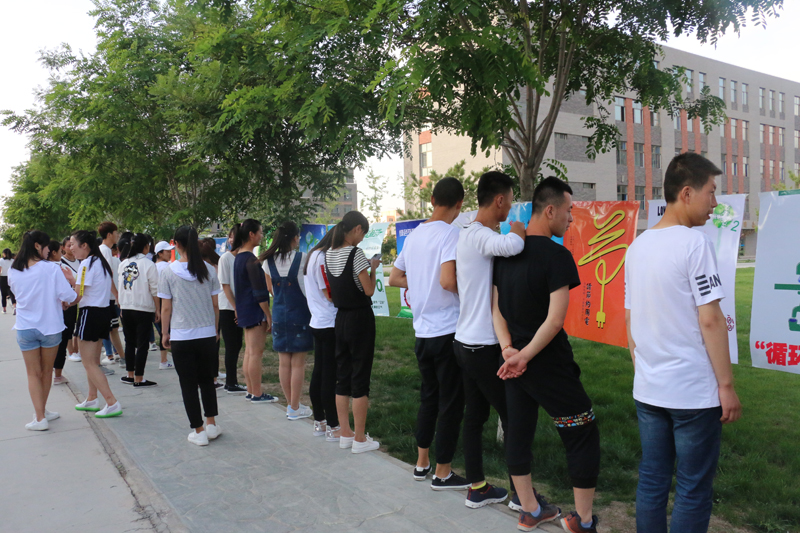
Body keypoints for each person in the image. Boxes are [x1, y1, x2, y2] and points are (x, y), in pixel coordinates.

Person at [625, 153, 742, 533]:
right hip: (693, 395)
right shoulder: (694, 244)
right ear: (687, 193)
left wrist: (643, 370)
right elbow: (711, 319)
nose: (715, 203)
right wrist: (726, 386)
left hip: (649, 389)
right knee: (692, 488)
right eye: (711, 192)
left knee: (652, 479)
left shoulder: (637, 247)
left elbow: (629, 320)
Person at [493, 177, 600, 532]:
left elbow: (495, 309)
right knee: (582, 431)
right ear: (550, 210)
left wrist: (508, 349)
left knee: (518, 431)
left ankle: (530, 510)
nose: (571, 219)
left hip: (513, 362)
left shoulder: (506, 253)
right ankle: (583, 521)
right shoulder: (557, 256)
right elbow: (555, 321)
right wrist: (523, 356)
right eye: (569, 211)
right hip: (546, 363)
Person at [389, 177, 470, 490]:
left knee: (429, 397)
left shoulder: (414, 237)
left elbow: (395, 277)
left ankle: (422, 463)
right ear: (459, 205)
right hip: (448, 331)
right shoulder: (451, 234)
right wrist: (474, 291)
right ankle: (443, 472)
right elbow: (448, 282)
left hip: (422, 332)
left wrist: (421, 283)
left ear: (433, 200)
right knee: (451, 403)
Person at [453, 171, 526, 508]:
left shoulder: (468, 232)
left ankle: (478, 487)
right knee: (512, 416)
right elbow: (513, 245)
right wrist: (520, 228)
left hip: (464, 342)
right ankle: (520, 496)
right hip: (481, 345)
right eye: (509, 202)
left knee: (475, 416)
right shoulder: (480, 235)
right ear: (499, 200)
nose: (510, 208)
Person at [159, 226, 223, 446]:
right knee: (207, 380)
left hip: (181, 335)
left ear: (176, 244)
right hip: (206, 334)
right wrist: (215, 330)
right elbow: (215, 305)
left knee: (188, 384)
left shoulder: (168, 272)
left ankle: (198, 430)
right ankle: (211, 423)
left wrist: (165, 333)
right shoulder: (208, 270)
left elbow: (166, 308)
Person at [325, 211, 381, 454]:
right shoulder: (355, 253)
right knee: (360, 376)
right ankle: (359, 438)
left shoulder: (329, 253)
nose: (362, 238)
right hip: (360, 319)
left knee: (343, 376)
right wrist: (373, 269)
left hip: (340, 318)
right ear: (357, 228)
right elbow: (368, 290)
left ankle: (345, 433)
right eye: (363, 233)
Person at [10, 231, 77, 430]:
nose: (49, 250)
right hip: (50, 327)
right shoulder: (52, 268)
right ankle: (42, 414)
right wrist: (71, 284)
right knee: (47, 371)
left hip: (25, 327)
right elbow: (69, 296)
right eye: (47, 246)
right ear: (38, 246)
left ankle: (40, 416)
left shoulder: (15, 269)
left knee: (33, 373)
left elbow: (18, 294)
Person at [262, 221, 314, 420]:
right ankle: (295, 407)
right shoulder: (302, 258)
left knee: (283, 362)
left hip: (279, 315)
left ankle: (291, 406)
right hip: (299, 314)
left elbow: (271, 289)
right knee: (298, 363)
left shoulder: (268, 261)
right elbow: (307, 288)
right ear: (295, 238)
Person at [70, 230, 123, 418]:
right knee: (92, 362)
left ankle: (111, 402)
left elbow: (78, 295)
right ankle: (92, 398)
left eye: (73, 244)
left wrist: (65, 300)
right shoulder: (100, 262)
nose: (70, 248)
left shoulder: (86, 264)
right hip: (102, 313)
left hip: (90, 314)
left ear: (84, 245)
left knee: (89, 363)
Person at [233, 219, 276, 403]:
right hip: (254, 310)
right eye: (260, 232)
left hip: (244, 309)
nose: (262, 236)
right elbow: (259, 292)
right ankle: (257, 393)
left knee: (249, 352)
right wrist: (268, 314)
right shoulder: (251, 260)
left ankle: (251, 391)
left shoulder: (238, 257)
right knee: (255, 353)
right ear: (251, 234)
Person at [303, 230, 339, 439]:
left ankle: (320, 421)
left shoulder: (312, 255)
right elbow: (329, 293)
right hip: (328, 322)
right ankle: (333, 425)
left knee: (319, 372)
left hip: (318, 320)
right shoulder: (323, 258)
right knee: (329, 375)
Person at [118, 233, 160, 387]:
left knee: (129, 342)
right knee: (142, 344)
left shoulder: (123, 263)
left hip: (126, 307)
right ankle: (139, 377)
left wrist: (121, 305)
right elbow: (154, 289)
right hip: (143, 308)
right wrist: (158, 309)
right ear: (146, 247)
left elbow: (121, 286)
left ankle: (130, 374)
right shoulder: (149, 264)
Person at [217, 224, 246, 394]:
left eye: (233, 236)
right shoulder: (225, 258)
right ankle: (231, 382)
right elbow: (225, 286)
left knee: (237, 345)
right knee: (231, 345)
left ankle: (233, 381)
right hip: (228, 308)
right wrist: (235, 307)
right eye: (230, 236)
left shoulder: (241, 258)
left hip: (239, 307)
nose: (230, 239)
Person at [47, 240, 77, 385]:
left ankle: (46, 373)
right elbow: (70, 292)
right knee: (62, 341)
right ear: (54, 253)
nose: (62, 253)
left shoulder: (36, 268)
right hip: (65, 308)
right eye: (60, 251)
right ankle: (58, 375)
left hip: (47, 311)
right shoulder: (60, 267)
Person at [200, 238, 225, 390]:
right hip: (212, 310)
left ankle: (211, 377)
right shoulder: (213, 267)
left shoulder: (207, 268)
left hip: (206, 310)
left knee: (208, 347)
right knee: (212, 346)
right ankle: (213, 378)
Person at [98, 222, 125, 366]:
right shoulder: (104, 250)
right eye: (116, 232)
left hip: (107, 297)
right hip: (106, 298)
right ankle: (105, 359)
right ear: (109, 235)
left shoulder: (105, 250)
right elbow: (106, 276)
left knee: (113, 329)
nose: (117, 235)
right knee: (106, 330)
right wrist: (117, 295)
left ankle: (121, 356)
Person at [153, 241, 175, 369]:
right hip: (165, 301)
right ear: (160, 253)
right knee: (168, 331)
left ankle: (164, 360)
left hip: (155, 302)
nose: (170, 253)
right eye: (167, 251)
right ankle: (164, 360)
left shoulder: (153, 267)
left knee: (163, 331)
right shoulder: (167, 268)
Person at [61, 237, 83, 364]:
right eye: (68, 245)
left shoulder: (79, 261)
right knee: (69, 324)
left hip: (79, 296)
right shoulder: (61, 262)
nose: (71, 248)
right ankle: (71, 351)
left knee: (76, 323)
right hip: (69, 297)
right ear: (63, 248)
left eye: (72, 245)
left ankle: (76, 350)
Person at [1, 248, 16, 314]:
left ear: (4, 254)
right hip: (11, 278)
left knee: (3, 294)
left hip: (3, 278)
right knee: (11, 293)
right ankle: (14, 307)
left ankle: (4, 309)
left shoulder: (1, 260)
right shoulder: (13, 261)